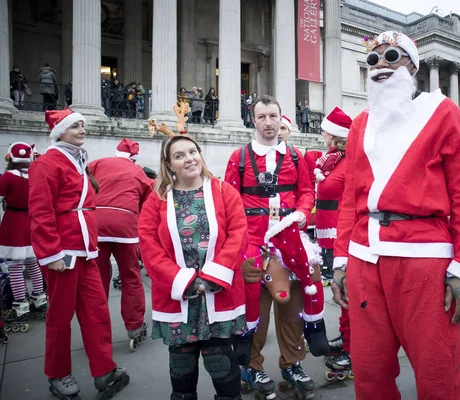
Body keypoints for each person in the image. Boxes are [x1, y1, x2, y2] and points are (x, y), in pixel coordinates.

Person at [333, 31, 460, 399]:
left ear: (411, 63)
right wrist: (340, 260)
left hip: (423, 259)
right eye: (373, 61)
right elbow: (350, 198)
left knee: (437, 370)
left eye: (391, 56)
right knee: (369, 370)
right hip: (364, 256)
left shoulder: (443, 111)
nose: (381, 67)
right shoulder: (360, 124)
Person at [138, 120, 247, 400]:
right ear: (169, 164)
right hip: (178, 297)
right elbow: (148, 244)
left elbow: (238, 235)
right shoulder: (157, 199)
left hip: (217, 294)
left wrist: (211, 277)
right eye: (179, 155)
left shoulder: (224, 191)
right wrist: (184, 281)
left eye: (192, 152)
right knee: (182, 366)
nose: (189, 159)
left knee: (221, 363)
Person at [224, 95, 323, 399]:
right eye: (262, 117)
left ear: (282, 119)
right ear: (253, 120)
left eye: (273, 116)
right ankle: (252, 365)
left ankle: (292, 363)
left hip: (291, 244)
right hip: (252, 246)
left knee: (292, 310)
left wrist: (302, 214)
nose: (269, 122)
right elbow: (227, 199)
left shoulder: (294, 156)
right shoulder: (238, 158)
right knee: (256, 312)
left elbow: (306, 192)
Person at [28, 109, 130, 400]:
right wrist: (51, 253)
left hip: (85, 250)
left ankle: (104, 370)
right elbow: (41, 212)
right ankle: (58, 374)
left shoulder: (75, 160)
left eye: (83, 125)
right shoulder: (47, 163)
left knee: (97, 311)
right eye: (76, 126)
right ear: (60, 131)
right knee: (59, 317)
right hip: (62, 253)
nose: (82, 130)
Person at [88, 138, 153, 351]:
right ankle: (134, 326)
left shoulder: (97, 163)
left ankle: (95, 328)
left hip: (96, 223)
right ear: (134, 158)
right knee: (130, 276)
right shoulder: (138, 172)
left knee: (97, 279)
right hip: (125, 226)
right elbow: (146, 203)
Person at [313, 107, 354, 379]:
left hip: (344, 233)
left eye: (326, 130)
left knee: (347, 290)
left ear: (336, 135)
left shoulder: (349, 161)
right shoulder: (329, 159)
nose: (322, 133)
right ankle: (346, 337)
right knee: (339, 292)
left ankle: (354, 350)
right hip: (328, 234)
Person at [0, 143, 48, 332]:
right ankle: (40, 298)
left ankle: (21, 305)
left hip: (13, 222)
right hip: (32, 220)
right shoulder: (36, 175)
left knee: (14, 266)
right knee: (32, 262)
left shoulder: (8, 177)